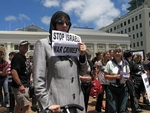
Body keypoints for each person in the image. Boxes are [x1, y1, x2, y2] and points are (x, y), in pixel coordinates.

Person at [33, 11, 88, 113]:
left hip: (77, 104)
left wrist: (82, 56)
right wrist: (47, 104)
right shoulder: (43, 44)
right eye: (60, 22)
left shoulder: (74, 44)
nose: (64, 25)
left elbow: (83, 72)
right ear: (53, 24)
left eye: (67, 23)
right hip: (56, 104)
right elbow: (38, 79)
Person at [104, 46, 130, 113]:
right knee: (113, 109)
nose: (117, 53)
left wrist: (126, 77)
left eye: (119, 52)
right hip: (112, 88)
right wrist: (115, 76)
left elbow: (128, 74)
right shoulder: (109, 63)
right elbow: (106, 76)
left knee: (122, 109)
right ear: (113, 53)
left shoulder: (126, 63)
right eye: (116, 52)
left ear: (121, 53)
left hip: (123, 88)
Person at [11, 40, 31, 113]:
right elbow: (13, 71)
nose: (26, 47)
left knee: (19, 105)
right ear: (19, 47)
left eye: (27, 46)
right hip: (21, 86)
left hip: (23, 84)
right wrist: (20, 84)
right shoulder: (17, 57)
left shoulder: (23, 57)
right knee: (26, 106)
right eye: (24, 46)